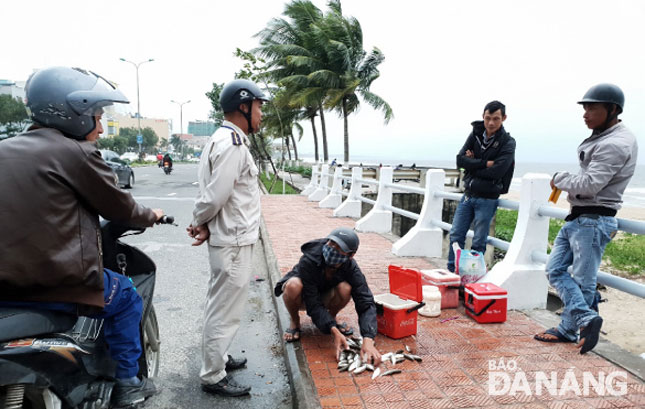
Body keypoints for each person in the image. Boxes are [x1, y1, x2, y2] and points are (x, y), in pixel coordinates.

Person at [0, 66, 164, 407]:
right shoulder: (76, 153)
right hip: (58, 283)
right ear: (73, 113)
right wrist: (152, 216)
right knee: (126, 297)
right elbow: (122, 209)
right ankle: (128, 383)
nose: (101, 127)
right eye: (97, 116)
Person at [534, 84, 638, 354]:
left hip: (593, 220)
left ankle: (570, 329)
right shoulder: (605, 138)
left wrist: (559, 178)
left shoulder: (615, 143)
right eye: (584, 108)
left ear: (613, 109)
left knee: (583, 281)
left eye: (592, 107)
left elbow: (591, 184)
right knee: (554, 269)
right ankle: (585, 319)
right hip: (580, 218)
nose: (585, 113)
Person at [187, 79, 268, 397]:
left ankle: (218, 358)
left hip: (230, 235)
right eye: (259, 107)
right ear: (244, 107)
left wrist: (205, 223)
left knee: (219, 305)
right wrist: (199, 220)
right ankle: (212, 375)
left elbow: (211, 190)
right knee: (224, 310)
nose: (261, 114)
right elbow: (216, 195)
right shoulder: (232, 143)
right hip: (233, 239)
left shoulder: (221, 139)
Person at [274, 227, 381, 366]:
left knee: (346, 288)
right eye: (331, 243)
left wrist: (368, 338)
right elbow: (312, 303)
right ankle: (295, 321)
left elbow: (365, 301)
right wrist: (333, 331)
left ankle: (332, 317)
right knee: (293, 285)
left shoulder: (351, 268)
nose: (332, 248)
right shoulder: (309, 260)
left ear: (351, 255)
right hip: (303, 296)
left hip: (326, 296)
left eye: (339, 247)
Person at [447, 101, 516, 273]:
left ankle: (471, 276)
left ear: (504, 118)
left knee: (478, 241)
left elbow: (498, 171)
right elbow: (459, 160)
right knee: (456, 235)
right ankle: (452, 274)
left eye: (496, 118)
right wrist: (485, 163)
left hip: (488, 198)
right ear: (483, 117)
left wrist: (472, 165)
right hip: (468, 195)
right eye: (487, 118)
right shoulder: (476, 134)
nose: (491, 123)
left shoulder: (508, 142)